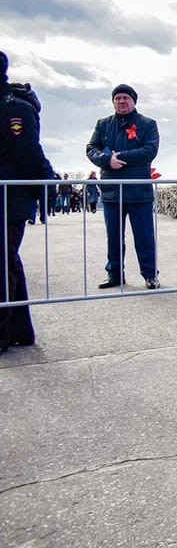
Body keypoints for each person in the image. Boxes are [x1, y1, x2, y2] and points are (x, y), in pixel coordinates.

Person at [0, 50, 55, 352]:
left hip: (10, 198)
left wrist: (40, 191)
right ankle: (19, 330)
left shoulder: (14, 109)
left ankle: (4, 333)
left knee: (3, 263)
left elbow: (28, 154)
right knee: (7, 260)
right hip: (9, 197)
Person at [86, 84, 160, 290]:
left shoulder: (148, 124)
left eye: (125, 98)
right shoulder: (103, 124)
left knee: (144, 237)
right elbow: (91, 149)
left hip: (139, 191)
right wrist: (107, 160)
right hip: (111, 191)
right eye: (117, 98)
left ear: (134, 100)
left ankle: (150, 275)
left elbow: (149, 150)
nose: (121, 101)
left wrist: (120, 157)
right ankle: (115, 274)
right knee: (114, 238)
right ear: (113, 102)